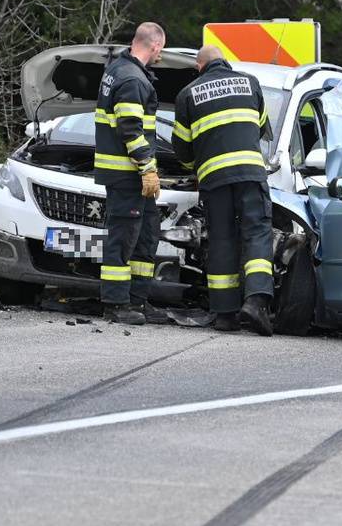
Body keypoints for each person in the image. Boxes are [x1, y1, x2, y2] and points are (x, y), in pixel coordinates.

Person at [173, 45, 277, 335]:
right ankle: (256, 302)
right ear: (224, 61)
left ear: (199, 66)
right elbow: (259, 127)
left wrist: (198, 163)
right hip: (249, 174)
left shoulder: (188, 94)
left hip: (214, 180)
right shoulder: (250, 83)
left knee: (221, 239)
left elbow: (182, 148)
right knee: (256, 233)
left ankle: (225, 315)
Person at [95, 22, 170, 325]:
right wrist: (148, 168)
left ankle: (138, 300)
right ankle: (115, 303)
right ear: (154, 46)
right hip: (128, 175)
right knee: (123, 238)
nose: (160, 56)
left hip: (133, 176)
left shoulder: (117, 69)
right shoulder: (131, 79)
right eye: (160, 50)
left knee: (146, 234)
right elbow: (130, 129)